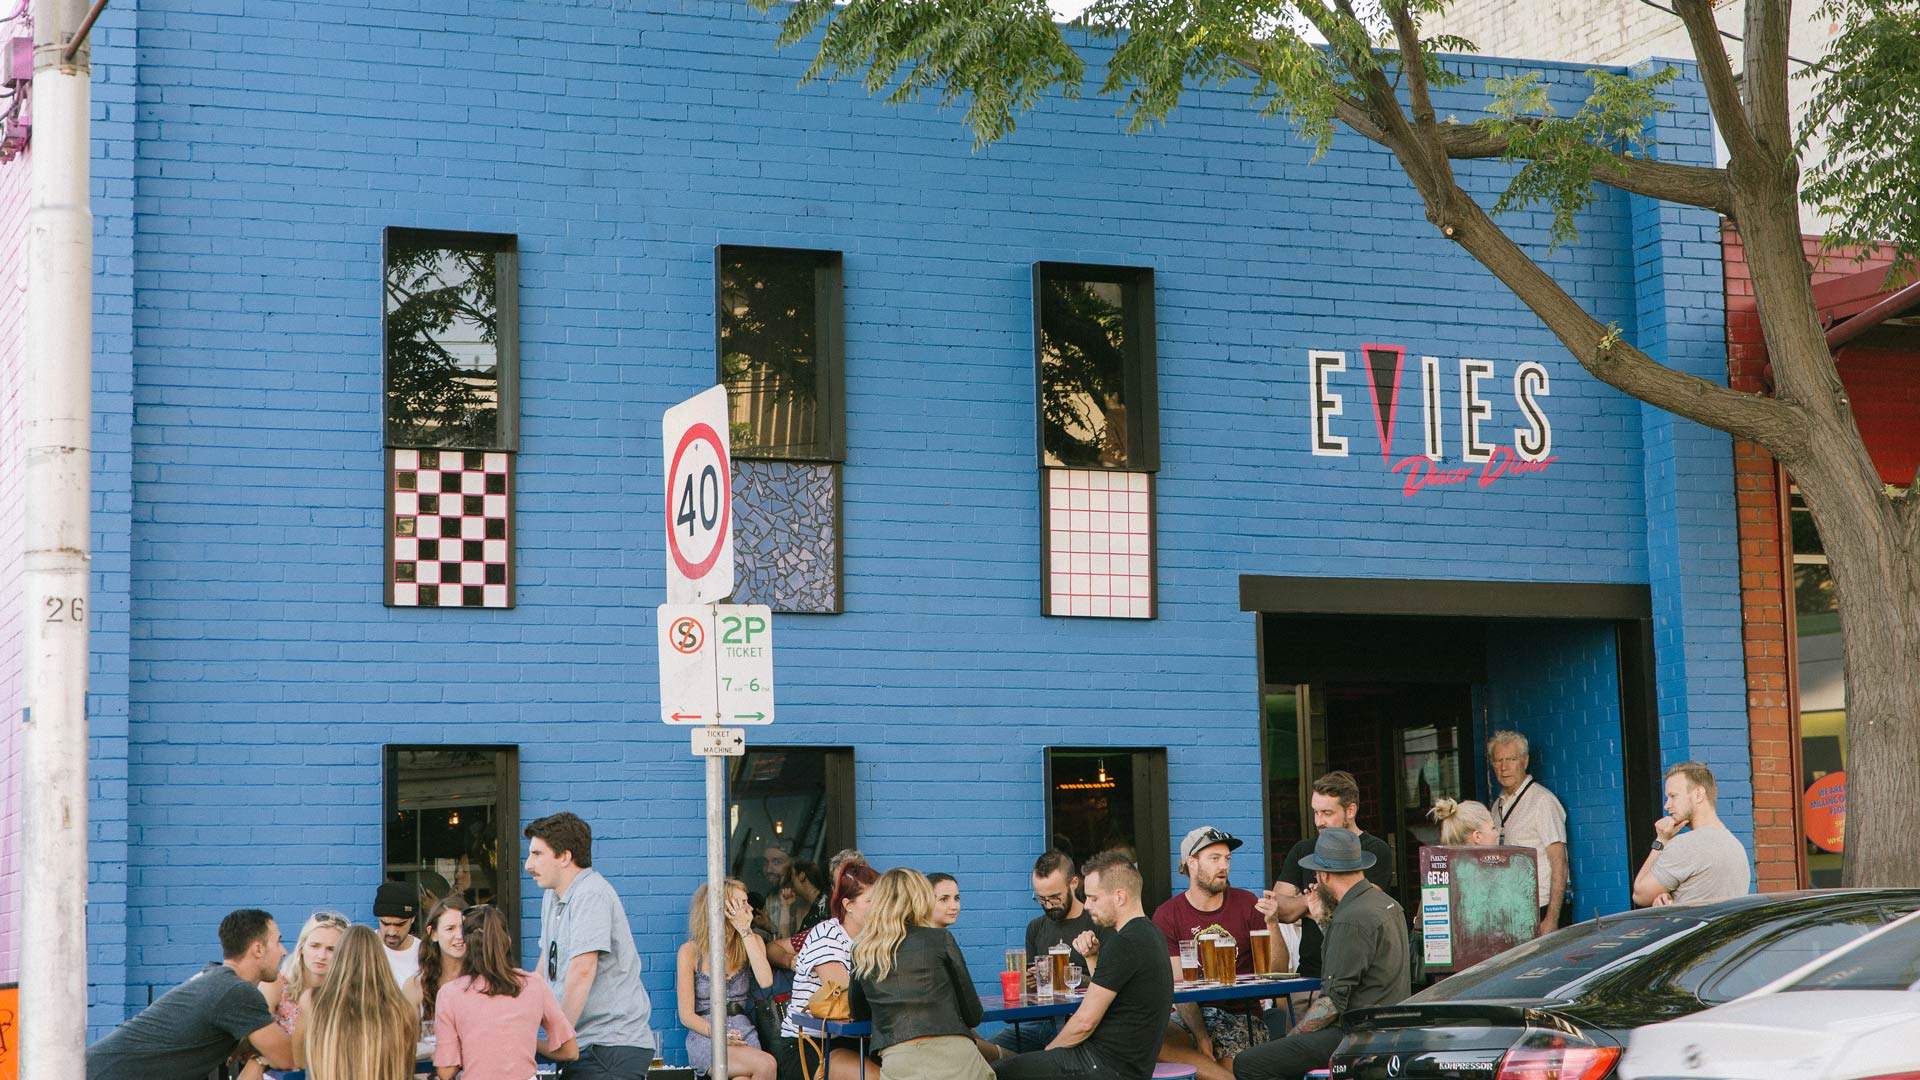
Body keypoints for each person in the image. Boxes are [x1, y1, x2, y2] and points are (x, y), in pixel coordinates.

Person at [1233, 831, 1409, 1080]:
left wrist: (1293, 1038)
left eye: (1316, 873)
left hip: (1356, 1034)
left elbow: (1332, 1003)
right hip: (1387, 1029)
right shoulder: (1386, 903)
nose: (1315, 878)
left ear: (1325, 875)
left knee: (1248, 1063)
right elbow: (1356, 954)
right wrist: (1322, 922)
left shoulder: (1351, 918)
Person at [995, 851, 1173, 1080]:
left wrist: (1050, 1053)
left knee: (994, 1073)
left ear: (1119, 897)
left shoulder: (1125, 942)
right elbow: (1115, 993)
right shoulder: (1150, 934)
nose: (1087, 905)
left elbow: (1084, 1023)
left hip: (1100, 1064)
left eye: (1094, 898)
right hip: (1124, 1066)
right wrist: (1092, 957)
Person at [86, 908, 294, 1080]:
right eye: (277, 941)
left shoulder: (216, 979)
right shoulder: (236, 991)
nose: (283, 951)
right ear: (258, 949)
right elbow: (287, 1057)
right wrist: (262, 1057)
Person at [526, 811, 657, 1079]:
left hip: (610, 1048)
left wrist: (558, 1037)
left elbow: (583, 969)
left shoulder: (591, 894)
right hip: (585, 1046)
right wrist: (518, 1013)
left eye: (537, 854)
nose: (528, 864)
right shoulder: (552, 897)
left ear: (565, 856)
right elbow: (544, 966)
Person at [1152, 827, 1278, 1080]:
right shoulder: (1167, 914)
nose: (1224, 865)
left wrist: (1273, 923)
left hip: (1241, 1014)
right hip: (1191, 1015)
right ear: (1192, 862)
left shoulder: (1246, 903)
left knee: (1230, 1057)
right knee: (1149, 1037)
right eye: (1214, 858)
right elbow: (1180, 988)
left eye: (1227, 859)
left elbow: (1276, 970)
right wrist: (1200, 1035)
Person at [849, 869, 993, 1080]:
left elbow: (860, 1014)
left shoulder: (862, 949)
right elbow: (973, 1015)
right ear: (921, 899)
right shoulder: (940, 939)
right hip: (958, 1059)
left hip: (900, 1061)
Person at [1261, 772, 1393, 980]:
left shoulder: (1374, 851)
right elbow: (1279, 909)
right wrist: (1310, 901)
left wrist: (1307, 907)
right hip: (1308, 977)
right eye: (1316, 812)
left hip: (1355, 975)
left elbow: (1362, 908)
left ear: (1350, 810)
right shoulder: (1303, 850)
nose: (1319, 821)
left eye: (1327, 813)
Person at [433, 904, 581, 1080]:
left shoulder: (450, 994)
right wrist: (526, 1043)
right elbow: (570, 1051)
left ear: (465, 944)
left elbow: (446, 1071)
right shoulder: (534, 984)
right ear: (507, 941)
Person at [991, 851, 1109, 1055]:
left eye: (1055, 897)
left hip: (1082, 1022)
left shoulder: (1097, 922)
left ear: (1073, 883)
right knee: (985, 1051)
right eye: (1041, 899)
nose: (1048, 905)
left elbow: (1109, 987)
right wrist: (1031, 982)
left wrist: (1068, 978)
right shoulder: (1035, 928)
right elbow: (1032, 996)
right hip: (1041, 1023)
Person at [781, 861, 881, 1080]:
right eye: (871, 901)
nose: (879, 907)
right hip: (808, 1045)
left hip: (856, 1040)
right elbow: (849, 998)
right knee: (880, 1077)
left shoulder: (876, 938)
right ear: (848, 905)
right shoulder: (827, 935)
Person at [678, 879, 778, 1080]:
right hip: (707, 1033)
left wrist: (745, 931)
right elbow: (686, 1015)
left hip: (743, 1032)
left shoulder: (752, 940)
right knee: (767, 1064)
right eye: (741, 903)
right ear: (723, 908)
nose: (749, 908)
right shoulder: (690, 951)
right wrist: (718, 1034)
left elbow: (766, 980)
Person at [295, 924, 421, 1080]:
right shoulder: (401, 1009)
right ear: (380, 959)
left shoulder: (313, 1001)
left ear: (339, 957)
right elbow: (407, 1064)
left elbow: (299, 1059)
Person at [1634, 761, 1754, 907]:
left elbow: (1639, 895)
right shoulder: (1736, 847)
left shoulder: (1685, 845)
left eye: (1673, 796)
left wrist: (1661, 840)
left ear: (1698, 794)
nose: (1667, 805)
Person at [1488, 731, 1571, 934]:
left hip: (1540, 908)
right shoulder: (1496, 807)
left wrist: (1552, 918)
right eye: (1498, 760)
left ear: (1524, 761)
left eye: (1511, 759)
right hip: (1510, 910)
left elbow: (1559, 862)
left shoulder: (1542, 801)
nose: (1504, 767)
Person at [260, 911, 348, 1037]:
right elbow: (254, 1039)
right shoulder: (276, 985)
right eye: (315, 946)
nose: (321, 956)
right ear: (301, 947)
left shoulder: (348, 993)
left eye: (331, 949)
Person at [404, 896, 469, 1020]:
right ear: (433, 933)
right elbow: (406, 1037)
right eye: (450, 928)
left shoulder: (483, 981)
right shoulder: (415, 986)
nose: (460, 935)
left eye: (464, 928)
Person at [800, 848, 867, 934]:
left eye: (856, 876)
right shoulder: (822, 909)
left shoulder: (882, 904)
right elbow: (800, 942)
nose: (850, 886)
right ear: (833, 888)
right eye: (842, 882)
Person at [374, 881, 423, 986]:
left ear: (413, 918)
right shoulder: (364, 948)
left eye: (400, 925)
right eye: (385, 923)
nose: (392, 932)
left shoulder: (425, 953)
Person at [1427, 799, 1500, 847]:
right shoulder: (1491, 869)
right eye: (1493, 828)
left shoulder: (1451, 866)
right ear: (1477, 837)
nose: (1497, 834)